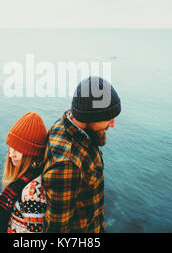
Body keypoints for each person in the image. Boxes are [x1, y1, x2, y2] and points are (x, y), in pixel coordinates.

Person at [42, 76, 121, 233]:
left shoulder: (66, 124)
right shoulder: (67, 166)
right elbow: (57, 230)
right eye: (108, 118)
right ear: (88, 118)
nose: (113, 124)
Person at [0, 112, 48, 233]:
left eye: (18, 150)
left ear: (31, 154)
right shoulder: (30, 176)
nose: (11, 154)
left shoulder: (32, 195)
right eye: (11, 147)